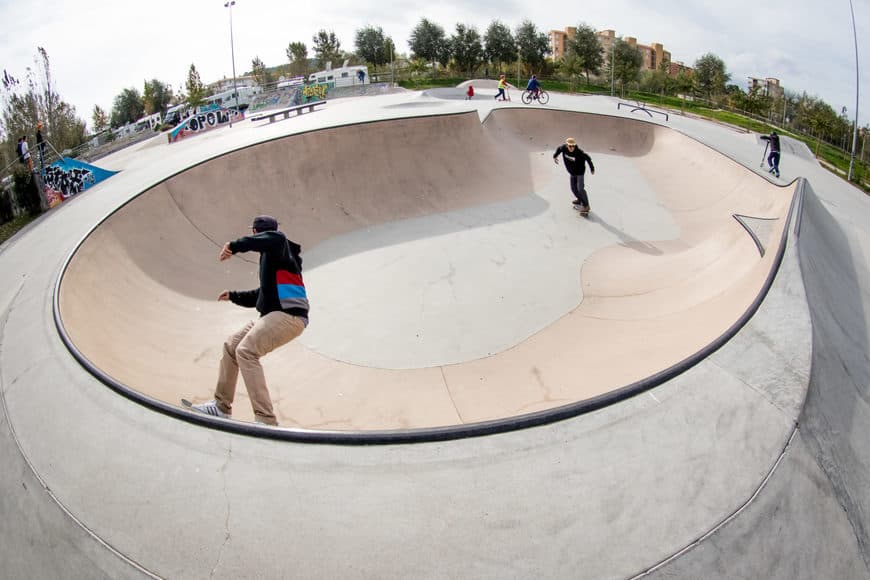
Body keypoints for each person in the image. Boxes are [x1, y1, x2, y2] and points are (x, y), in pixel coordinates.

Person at [190, 215, 310, 426]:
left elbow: (272, 239)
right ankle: (220, 407)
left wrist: (234, 246)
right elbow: (261, 295)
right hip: (273, 314)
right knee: (232, 346)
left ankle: (265, 419)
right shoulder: (274, 260)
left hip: (289, 316)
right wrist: (234, 296)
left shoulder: (280, 244)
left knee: (246, 351)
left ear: (256, 233)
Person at [553, 137, 595, 212]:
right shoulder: (563, 148)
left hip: (580, 172)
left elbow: (588, 158)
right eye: (570, 146)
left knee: (580, 188)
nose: (572, 148)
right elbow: (559, 149)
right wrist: (555, 156)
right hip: (572, 172)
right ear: (566, 145)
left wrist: (592, 168)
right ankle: (579, 199)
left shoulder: (579, 152)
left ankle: (586, 206)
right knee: (573, 188)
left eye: (573, 146)